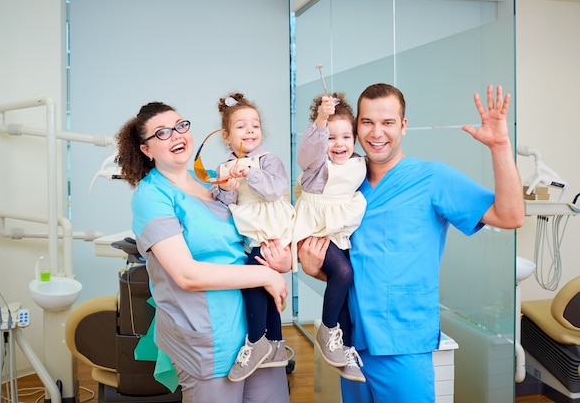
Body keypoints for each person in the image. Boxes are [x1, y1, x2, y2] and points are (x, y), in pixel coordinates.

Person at [297, 83, 524, 403]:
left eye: (388, 122)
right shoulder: (345, 187)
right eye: (367, 123)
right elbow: (353, 263)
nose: (377, 133)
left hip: (404, 348)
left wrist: (500, 146)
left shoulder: (432, 178)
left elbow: (511, 215)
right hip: (351, 349)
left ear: (403, 126)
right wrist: (314, 269)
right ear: (356, 126)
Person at [115, 101, 291, 403]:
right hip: (210, 340)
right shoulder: (152, 196)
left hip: (256, 332)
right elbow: (186, 275)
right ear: (146, 150)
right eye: (162, 133)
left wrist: (281, 260)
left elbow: (263, 230)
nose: (176, 135)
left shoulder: (216, 178)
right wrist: (265, 275)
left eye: (181, 125)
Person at [209, 92, 296, 382]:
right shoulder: (223, 169)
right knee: (264, 289)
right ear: (226, 135)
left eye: (255, 125)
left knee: (252, 280)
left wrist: (250, 172)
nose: (250, 130)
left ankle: (256, 340)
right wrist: (229, 186)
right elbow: (223, 208)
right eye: (241, 126)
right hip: (249, 232)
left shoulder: (268, 160)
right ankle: (275, 344)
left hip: (271, 230)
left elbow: (274, 190)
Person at [292, 92, 366, 382]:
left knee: (346, 287)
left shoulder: (359, 163)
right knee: (344, 273)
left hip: (338, 232)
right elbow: (306, 153)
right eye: (330, 138)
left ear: (355, 139)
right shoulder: (317, 166)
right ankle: (327, 330)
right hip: (313, 231)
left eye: (346, 137)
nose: (339, 145)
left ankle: (345, 350)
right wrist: (321, 119)